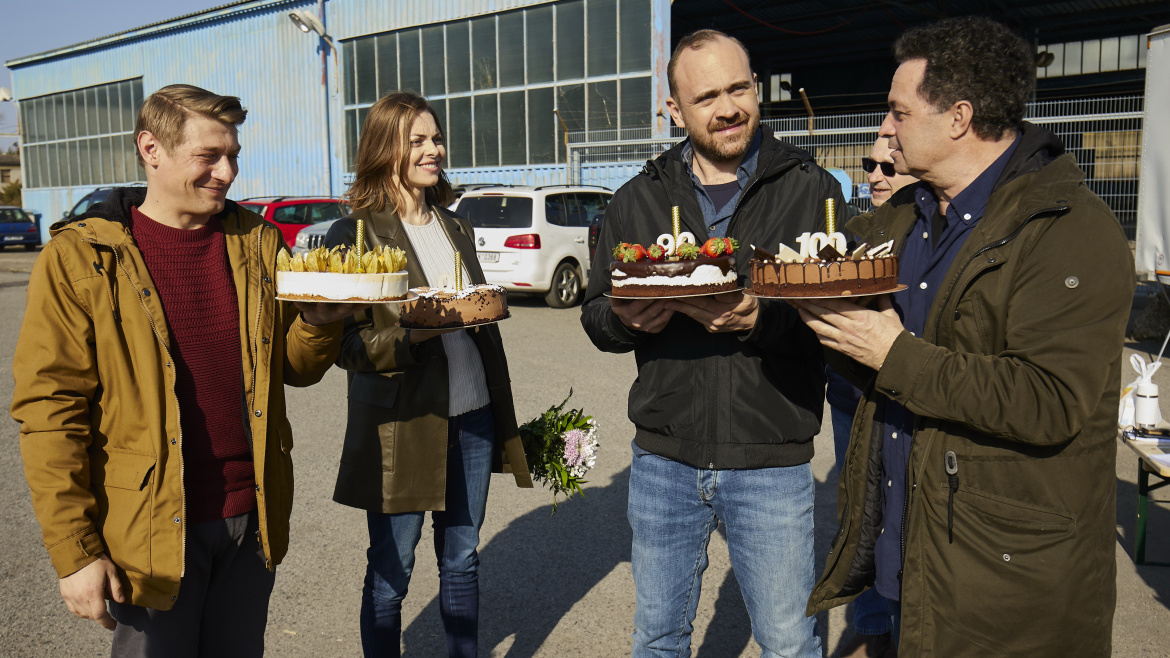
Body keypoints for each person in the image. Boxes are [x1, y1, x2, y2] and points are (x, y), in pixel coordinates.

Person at [800, 17, 1134, 656]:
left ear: (958, 117)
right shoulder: (903, 219)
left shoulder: (1067, 228)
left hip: (1007, 592)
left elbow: (1049, 399)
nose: (886, 128)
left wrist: (893, 353)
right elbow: (866, 354)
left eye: (899, 111)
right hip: (915, 565)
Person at [11, 84, 354, 656]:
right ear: (152, 149)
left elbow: (293, 369)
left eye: (234, 155)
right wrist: (75, 551)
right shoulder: (82, 259)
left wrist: (320, 322)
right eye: (209, 157)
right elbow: (51, 413)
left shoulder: (258, 243)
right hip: (149, 530)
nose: (227, 172)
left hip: (251, 517)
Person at [581, 29, 843, 658]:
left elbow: (839, 312)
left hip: (771, 459)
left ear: (755, 87)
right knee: (658, 640)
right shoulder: (638, 198)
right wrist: (626, 323)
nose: (728, 108)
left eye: (738, 88)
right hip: (664, 461)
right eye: (706, 98)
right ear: (675, 110)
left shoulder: (811, 190)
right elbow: (595, 312)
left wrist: (762, 319)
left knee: (787, 642)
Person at [323, 90, 532, 658]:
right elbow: (349, 348)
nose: (433, 149)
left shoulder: (453, 225)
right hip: (403, 424)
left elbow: (472, 309)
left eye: (435, 138)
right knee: (392, 573)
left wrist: (484, 305)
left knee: (462, 558)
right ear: (384, 148)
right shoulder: (355, 235)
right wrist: (416, 335)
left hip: (473, 416)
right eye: (416, 140)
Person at [830, 135, 918, 658]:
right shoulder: (855, 233)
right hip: (851, 398)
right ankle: (871, 627)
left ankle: (898, 627)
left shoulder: (929, 238)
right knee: (861, 509)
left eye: (889, 166)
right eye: (868, 165)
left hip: (908, 397)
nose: (876, 174)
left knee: (901, 513)